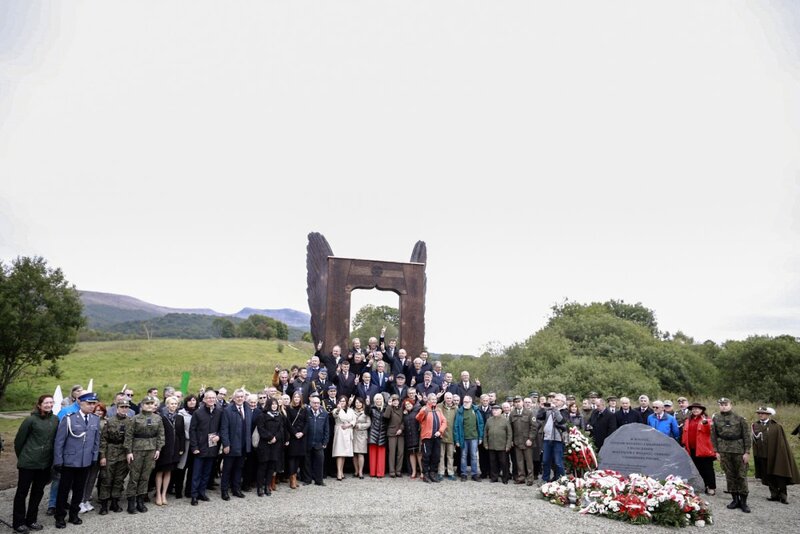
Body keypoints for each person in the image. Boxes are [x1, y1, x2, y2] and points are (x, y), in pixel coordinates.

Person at [52, 392, 101, 529]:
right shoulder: (69, 419)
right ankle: (60, 516)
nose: (91, 406)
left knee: (79, 490)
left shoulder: (95, 419)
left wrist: (94, 457)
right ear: (81, 403)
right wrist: (58, 460)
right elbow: (59, 442)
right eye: (89, 403)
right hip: (69, 460)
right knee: (64, 490)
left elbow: (96, 441)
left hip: (85, 461)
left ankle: (74, 514)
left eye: (93, 404)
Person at [13, 394, 58, 533]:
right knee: (22, 493)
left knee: (38, 492)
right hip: (28, 463)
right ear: (39, 405)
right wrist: (23, 457)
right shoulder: (30, 420)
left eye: (51, 402)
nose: (49, 405)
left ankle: (31, 520)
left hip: (45, 464)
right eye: (46, 403)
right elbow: (19, 442)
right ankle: (18, 522)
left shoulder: (55, 419)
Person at [124, 396, 165, 514]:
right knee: (134, 476)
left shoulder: (158, 418)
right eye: (147, 403)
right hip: (137, 450)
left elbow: (161, 435)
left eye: (152, 403)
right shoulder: (135, 419)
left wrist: (158, 449)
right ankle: (131, 502)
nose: (150, 406)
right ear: (142, 405)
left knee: (145, 477)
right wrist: (129, 451)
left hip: (151, 450)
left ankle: (140, 501)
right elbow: (128, 436)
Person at [711, 397, 752, 513]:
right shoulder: (716, 418)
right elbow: (713, 436)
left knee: (741, 475)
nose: (723, 406)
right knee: (729, 475)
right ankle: (735, 500)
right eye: (721, 404)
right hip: (724, 450)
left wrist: (747, 452)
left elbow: (746, 436)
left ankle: (743, 502)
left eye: (726, 404)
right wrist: (716, 451)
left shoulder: (739, 418)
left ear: (730, 405)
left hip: (738, 450)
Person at [752, 406, 800, 504]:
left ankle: (783, 496)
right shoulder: (755, 425)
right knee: (767, 475)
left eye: (763, 413)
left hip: (775, 455)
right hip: (762, 455)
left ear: (768, 414)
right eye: (759, 413)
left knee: (779, 475)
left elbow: (781, 443)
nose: (760, 415)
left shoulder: (776, 426)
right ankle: (774, 494)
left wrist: (780, 455)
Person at [97, 397, 131, 515]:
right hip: (110, 452)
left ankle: (115, 502)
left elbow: (130, 439)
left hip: (123, 453)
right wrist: (102, 456)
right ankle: (104, 504)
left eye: (126, 407)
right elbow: (103, 440)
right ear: (117, 408)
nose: (124, 409)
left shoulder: (130, 422)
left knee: (119, 479)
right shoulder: (110, 421)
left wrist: (129, 453)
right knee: (106, 478)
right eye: (122, 407)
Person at [189, 390, 222, 506]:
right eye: (209, 398)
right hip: (200, 447)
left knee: (207, 473)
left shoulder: (219, 412)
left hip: (212, 447)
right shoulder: (198, 413)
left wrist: (218, 436)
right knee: (197, 473)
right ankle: (194, 495)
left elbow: (221, 428)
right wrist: (194, 447)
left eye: (213, 398)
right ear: (204, 399)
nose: (211, 400)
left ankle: (201, 493)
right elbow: (192, 430)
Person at [219, 389, 252, 498]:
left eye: (242, 396)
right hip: (231, 445)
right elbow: (224, 429)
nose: (240, 398)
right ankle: (224, 491)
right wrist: (226, 444)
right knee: (227, 469)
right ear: (233, 398)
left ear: (244, 397)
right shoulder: (228, 410)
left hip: (243, 445)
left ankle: (236, 489)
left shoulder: (247, 408)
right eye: (237, 397)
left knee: (239, 468)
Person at [154, 396, 185, 506]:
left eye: (175, 404)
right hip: (164, 448)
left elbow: (181, 434)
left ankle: (164, 494)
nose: (173, 405)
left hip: (175, 448)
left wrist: (181, 448)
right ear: (167, 405)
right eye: (171, 403)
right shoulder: (161, 417)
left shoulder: (180, 417)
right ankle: (158, 494)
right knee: (160, 471)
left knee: (169, 471)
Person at [681, 402, 716, 495]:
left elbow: (710, 430)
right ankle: (702, 486)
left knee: (707, 469)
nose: (695, 410)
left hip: (704, 450)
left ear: (702, 410)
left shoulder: (707, 420)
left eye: (697, 408)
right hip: (692, 449)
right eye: (693, 409)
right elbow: (685, 433)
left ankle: (711, 487)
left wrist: (705, 423)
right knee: (697, 469)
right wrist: (684, 444)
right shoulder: (688, 420)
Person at [79, 402, 106, 514]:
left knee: (92, 479)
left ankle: (86, 500)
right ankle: (80, 501)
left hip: (100, 454)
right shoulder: (89, 421)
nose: (99, 412)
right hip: (88, 453)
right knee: (84, 479)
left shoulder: (106, 422)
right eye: (97, 410)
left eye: (101, 410)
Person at [255, 398, 285, 496]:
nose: (274, 406)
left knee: (271, 467)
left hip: (276, 445)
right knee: (262, 466)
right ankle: (260, 487)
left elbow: (281, 430)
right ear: (268, 405)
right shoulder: (262, 415)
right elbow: (261, 429)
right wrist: (270, 437)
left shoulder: (279, 416)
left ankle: (267, 486)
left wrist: (275, 438)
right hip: (265, 444)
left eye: (276, 404)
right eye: (272, 404)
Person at [416, 393, 447, 483]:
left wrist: (440, 431)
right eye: (432, 399)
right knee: (426, 456)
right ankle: (425, 474)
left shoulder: (438, 410)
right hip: (427, 437)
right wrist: (423, 411)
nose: (434, 401)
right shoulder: (425, 409)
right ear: (428, 400)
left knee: (436, 456)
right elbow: (418, 418)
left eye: (435, 399)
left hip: (437, 436)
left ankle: (433, 473)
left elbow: (444, 422)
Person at [454, 395, 484, 482]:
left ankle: (474, 474)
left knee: (474, 456)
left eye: (467, 402)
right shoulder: (460, 411)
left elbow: (480, 424)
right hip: (463, 438)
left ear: (471, 402)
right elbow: (456, 426)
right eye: (464, 401)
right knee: (463, 456)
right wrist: (457, 440)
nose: (465, 403)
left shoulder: (476, 410)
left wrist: (480, 437)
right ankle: (463, 474)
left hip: (474, 437)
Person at [537, 395, 567, 483]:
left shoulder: (565, 411)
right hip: (547, 438)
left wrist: (555, 410)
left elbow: (561, 421)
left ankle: (561, 480)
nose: (555, 401)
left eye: (557, 400)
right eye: (555, 399)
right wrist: (543, 409)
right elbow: (539, 417)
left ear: (562, 402)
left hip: (558, 439)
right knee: (545, 460)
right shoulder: (549, 410)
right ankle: (545, 479)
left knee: (558, 461)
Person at [173, 395, 197, 499]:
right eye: (189, 400)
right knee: (181, 468)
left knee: (192, 469)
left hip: (195, 444)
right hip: (185, 443)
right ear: (186, 402)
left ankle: (189, 491)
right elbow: (179, 431)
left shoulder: (198, 412)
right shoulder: (181, 414)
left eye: (194, 400)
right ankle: (178, 491)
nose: (192, 402)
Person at [510, 396, 536, 486]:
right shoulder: (512, 414)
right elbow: (510, 428)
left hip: (527, 441)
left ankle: (530, 478)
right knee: (519, 461)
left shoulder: (529, 413)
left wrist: (530, 439)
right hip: (517, 441)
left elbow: (533, 427)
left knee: (529, 461)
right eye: (515, 402)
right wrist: (511, 440)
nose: (517, 403)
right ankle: (521, 477)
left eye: (519, 401)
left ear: (522, 402)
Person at [484, 404, 512, 483]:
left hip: (502, 446)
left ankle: (505, 478)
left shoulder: (505, 420)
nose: (494, 411)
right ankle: (494, 477)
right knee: (493, 463)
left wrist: (508, 445)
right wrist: (485, 444)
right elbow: (485, 433)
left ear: (500, 411)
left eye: (496, 410)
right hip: (492, 445)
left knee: (504, 463)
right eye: (493, 410)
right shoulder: (489, 420)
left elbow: (509, 434)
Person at [331, 396, 355, 480]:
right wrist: (338, 409)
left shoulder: (351, 410)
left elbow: (354, 420)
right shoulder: (336, 410)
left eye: (344, 401)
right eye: (341, 401)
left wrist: (349, 424)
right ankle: (338, 472)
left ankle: (341, 471)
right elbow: (334, 415)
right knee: (339, 453)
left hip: (348, 431)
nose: (342, 402)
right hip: (340, 432)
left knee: (344, 453)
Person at [383, 394, 405, 477]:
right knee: (392, 453)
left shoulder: (401, 409)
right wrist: (389, 406)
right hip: (392, 433)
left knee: (400, 452)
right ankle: (392, 471)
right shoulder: (389, 408)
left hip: (400, 433)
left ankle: (398, 471)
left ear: (399, 401)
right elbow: (386, 416)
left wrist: (401, 429)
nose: (395, 402)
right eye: (393, 400)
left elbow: (403, 421)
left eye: (396, 400)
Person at [438, 392, 458, 481]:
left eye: (450, 398)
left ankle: (450, 472)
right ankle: (441, 472)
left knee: (450, 456)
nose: (449, 399)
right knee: (441, 455)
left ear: (452, 399)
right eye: (447, 398)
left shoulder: (456, 408)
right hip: (441, 434)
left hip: (451, 435)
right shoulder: (439, 406)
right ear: (444, 398)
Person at [368, 393, 389, 477]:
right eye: (377, 399)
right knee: (372, 454)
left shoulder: (386, 408)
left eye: (380, 399)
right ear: (374, 400)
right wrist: (367, 405)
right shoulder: (371, 408)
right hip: (373, 432)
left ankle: (380, 473)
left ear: (382, 400)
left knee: (381, 454)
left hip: (383, 432)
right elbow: (366, 413)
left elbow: (388, 417)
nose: (378, 400)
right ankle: (372, 472)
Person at [403, 399, 423, 479]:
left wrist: (422, 400)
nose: (408, 406)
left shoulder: (417, 411)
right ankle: (414, 471)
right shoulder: (404, 414)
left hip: (417, 435)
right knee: (411, 454)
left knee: (419, 454)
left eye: (409, 404)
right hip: (409, 436)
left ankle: (422, 471)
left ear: (412, 404)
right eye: (406, 405)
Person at [352, 398, 371, 478]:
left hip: (362, 434)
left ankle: (360, 472)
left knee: (360, 453)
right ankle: (356, 471)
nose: (358, 404)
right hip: (353, 434)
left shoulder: (365, 412)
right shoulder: (352, 411)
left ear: (362, 404)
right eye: (356, 402)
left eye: (360, 402)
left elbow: (369, 423)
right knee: (354, 453)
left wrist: (360, 426)